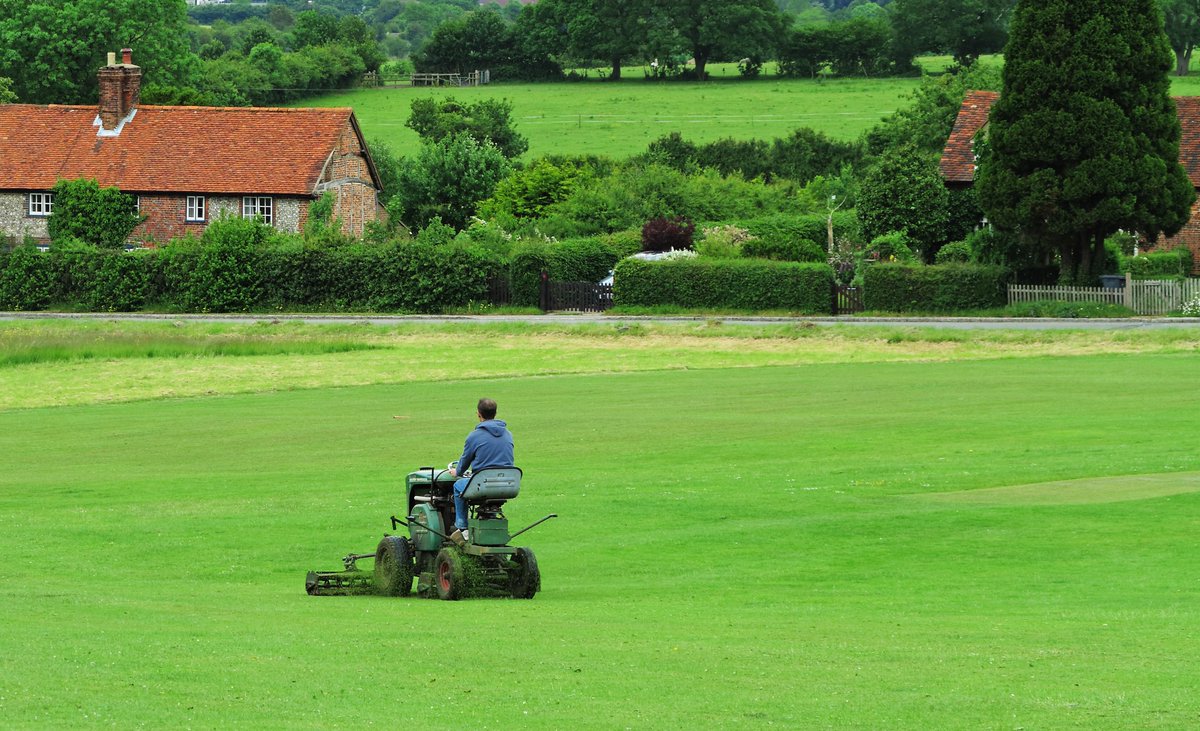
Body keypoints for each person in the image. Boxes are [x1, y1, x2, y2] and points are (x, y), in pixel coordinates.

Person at [447, 398, 514, 545]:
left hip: (483, 483)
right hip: (507, 484)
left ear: (478, 414)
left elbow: (464, 464)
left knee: (458, 486)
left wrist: (456, 471)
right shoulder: (508, 434)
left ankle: (462, 527)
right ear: (495, 413)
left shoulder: (474, 436)